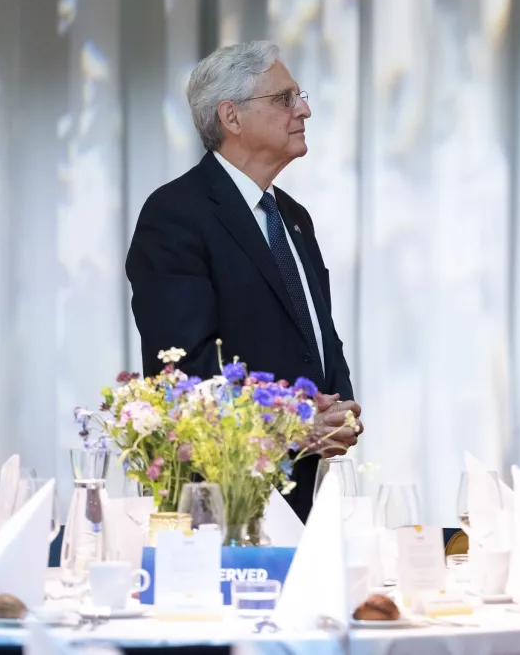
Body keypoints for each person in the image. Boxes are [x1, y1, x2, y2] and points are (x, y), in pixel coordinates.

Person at [126, 41, 361, 520]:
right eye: (284, 99)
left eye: (301, 96)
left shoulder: (293, 216)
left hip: (311, 489)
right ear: (231, 117)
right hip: (224, 497)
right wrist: (289, 423)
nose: (305, 110)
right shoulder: (175, 215)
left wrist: (339, 411)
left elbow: (316, 332)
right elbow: (183, 369)